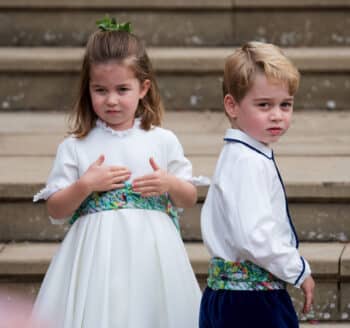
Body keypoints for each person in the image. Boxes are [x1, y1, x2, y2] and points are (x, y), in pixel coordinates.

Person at [32, 17, 201, 328]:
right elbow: (55, 208)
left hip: (153, 255)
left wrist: (169, 182)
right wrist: (84, 185)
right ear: (89, 89)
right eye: (100, 90)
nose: (111, 99)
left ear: (143, 88)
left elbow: (189, 197)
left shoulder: (161, 140)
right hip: (96, 259)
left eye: (122, 89)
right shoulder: (76, 146)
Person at [200, 41, 315, 328]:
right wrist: (298, 270)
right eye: (264, 105)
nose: (277, 114)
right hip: (250, 303)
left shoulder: (245, 154)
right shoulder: (246, 162)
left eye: (285, 105)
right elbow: (255, 236)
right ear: (232, 105)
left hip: (236, 297)